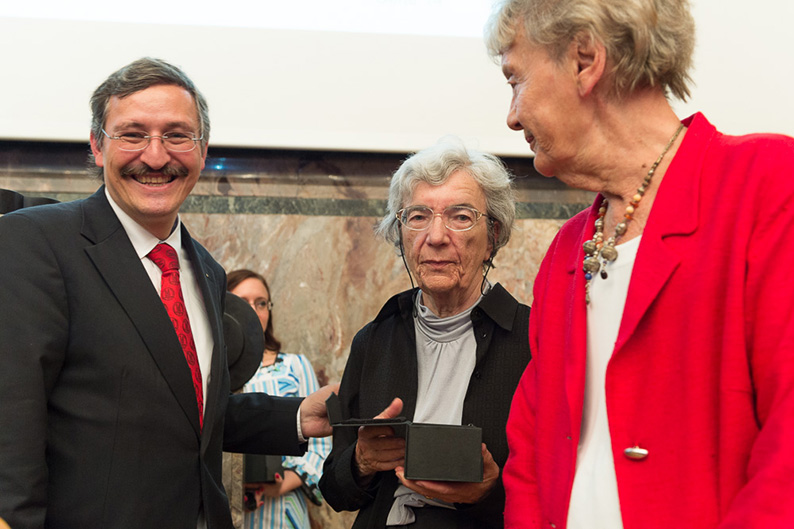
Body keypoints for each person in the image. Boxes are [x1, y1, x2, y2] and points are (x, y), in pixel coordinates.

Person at [484, 1, 794, 528]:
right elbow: (532, 460)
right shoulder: (565, 251)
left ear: (585, 60)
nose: (511, 116)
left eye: (516, 80)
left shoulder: (766, 187)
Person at [0, 57, 335, 529]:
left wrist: (298, 415)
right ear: (97, 146)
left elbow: (182, 408)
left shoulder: (207, 272)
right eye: (133, 134)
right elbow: (11, 414)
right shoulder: (36, 242)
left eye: (177, 135)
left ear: (202, 150)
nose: (156, 156)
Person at [319, 138, 532, 528]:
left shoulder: (532, 341)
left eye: (461, 217)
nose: (435, 237)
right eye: (417, 217)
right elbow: (335, 491)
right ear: (400, 234)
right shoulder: (374, 340)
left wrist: (489, 493)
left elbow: (561, 484)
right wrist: (361, 461)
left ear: (493, 236)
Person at [228, 269, 331, 529]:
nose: (253, 310)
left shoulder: (295, 367)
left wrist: (278, 485)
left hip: (281, 512)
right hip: (223, 508)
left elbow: (321, 448)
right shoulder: (212, 371)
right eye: (242, 302)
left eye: (261, 303)